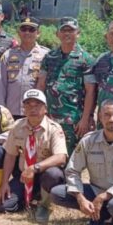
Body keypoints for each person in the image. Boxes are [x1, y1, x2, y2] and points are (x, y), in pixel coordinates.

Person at [0, 89, 67, 224]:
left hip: (43, 175)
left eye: (37, 105)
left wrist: (35, 168)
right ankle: (29, 198)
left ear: (45, 108)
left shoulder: (54, 128)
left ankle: (44, 205)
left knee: (53, 174)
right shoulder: (18, 126)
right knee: (3, 206)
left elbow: (61, 157)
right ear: (23, 109)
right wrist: (4, 183)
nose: (32, 108)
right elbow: (10, 155)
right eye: (28, 105)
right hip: (24, 176)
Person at [36, 16, 95, 152]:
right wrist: (40, 113)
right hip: (50, 117)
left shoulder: (86, 59)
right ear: (57, 34)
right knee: (48, 154)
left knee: (70, 160)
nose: (67, 33)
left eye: (71, 30)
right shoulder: (49, 57)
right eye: (64, 30)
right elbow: (41, 85)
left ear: (78, 33)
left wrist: (85, 119)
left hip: (73, 119)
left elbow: (90, 91)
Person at [0, 18, 49, 118]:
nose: (27, 32)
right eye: (24, 29)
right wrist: (0, 110)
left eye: (31, 30)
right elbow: (1, 84)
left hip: (36, 113)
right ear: (19, 32)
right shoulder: (8, 55)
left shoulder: (46, 55)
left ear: (38, 33)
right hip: (11, 112)